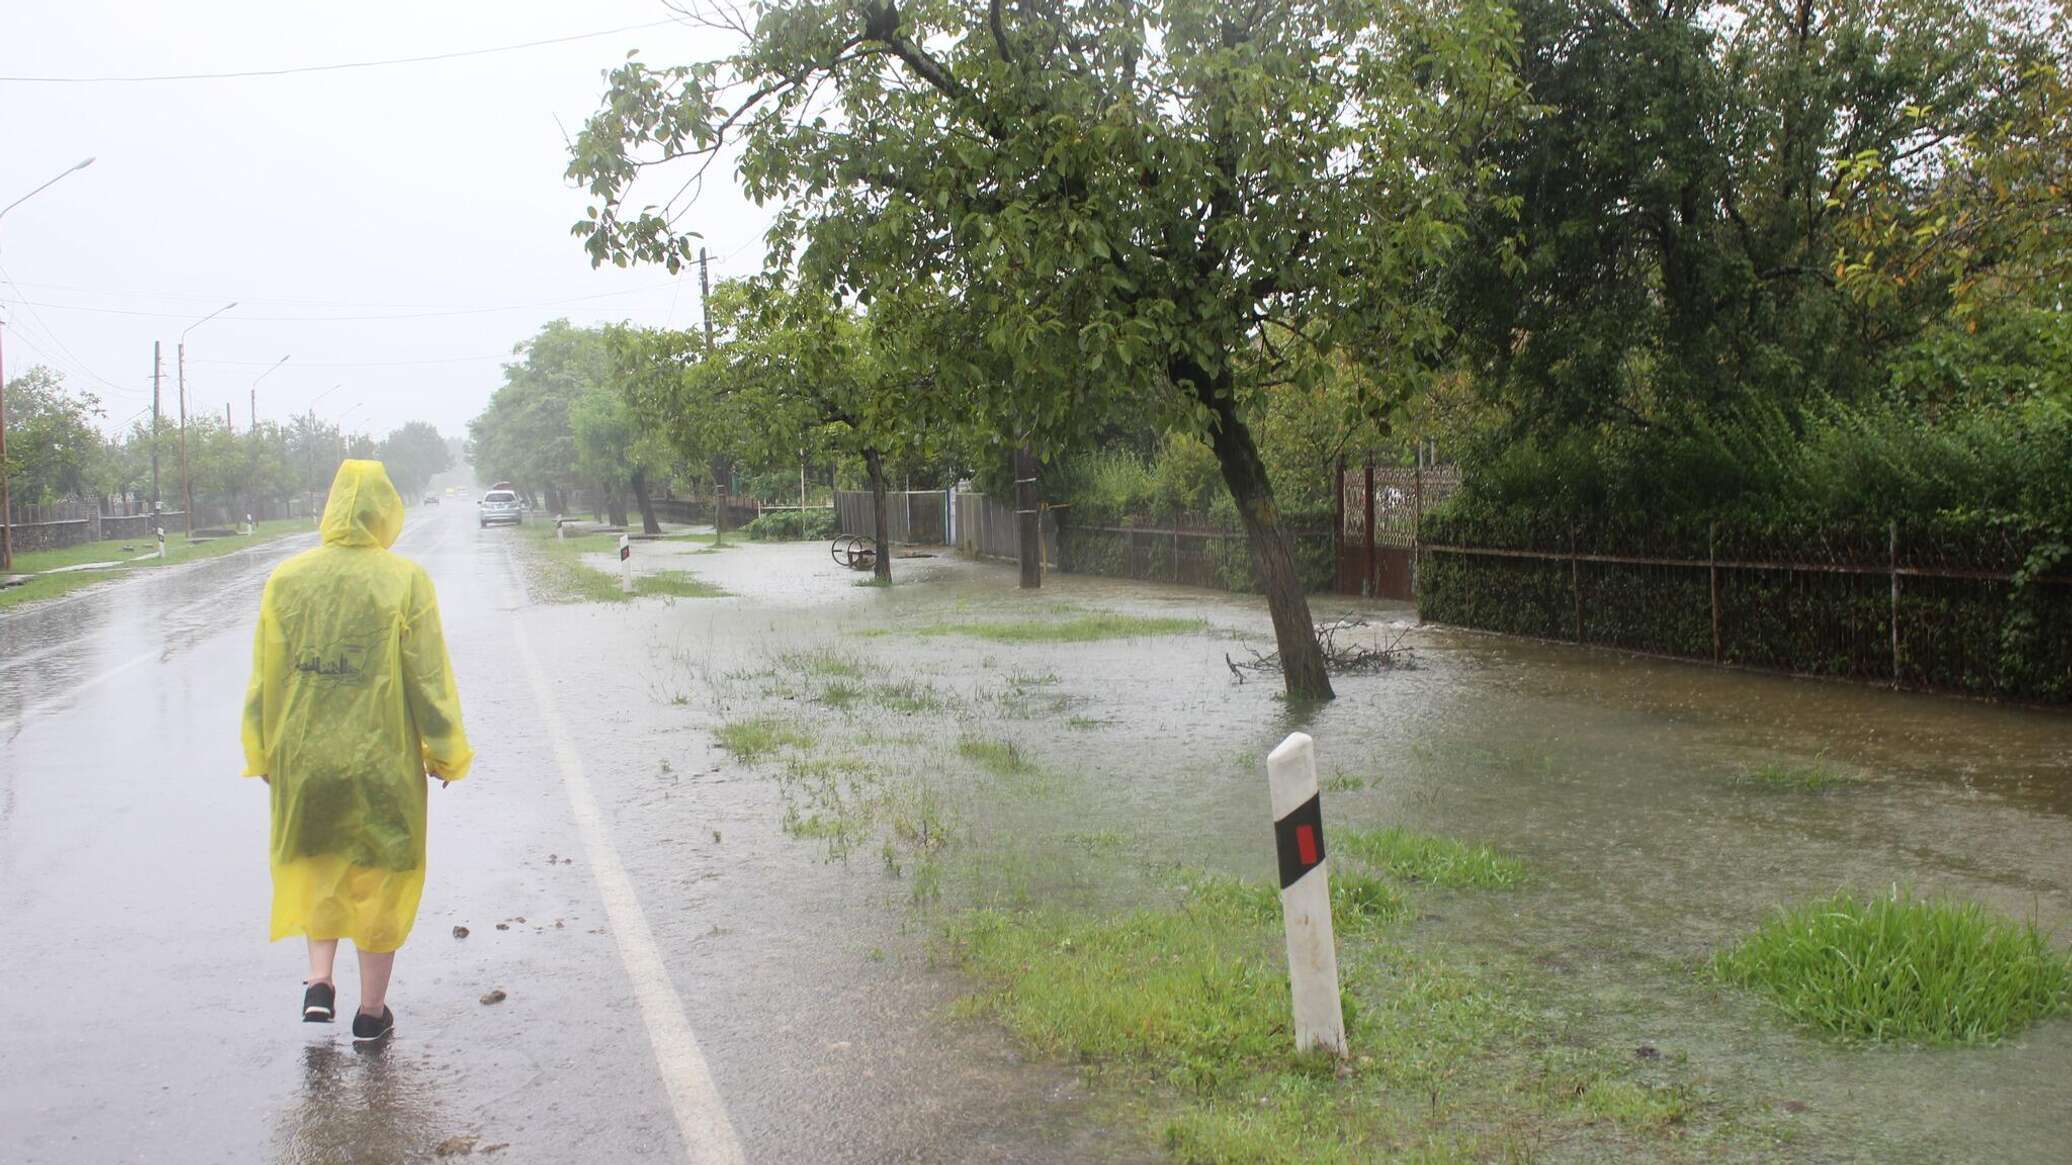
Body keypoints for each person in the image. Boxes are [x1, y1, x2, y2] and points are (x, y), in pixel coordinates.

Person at [241, 460, 473, 1043]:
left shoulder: (287, 580)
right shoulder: (405, 580)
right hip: (380, 764)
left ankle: (319, 980)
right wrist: (445, 752)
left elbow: (264, 677)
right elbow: (428, 679)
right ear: (384, 511)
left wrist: (264, 750)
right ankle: (371, 1015)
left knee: (321, 867)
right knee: (380, 883)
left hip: (305, 759)